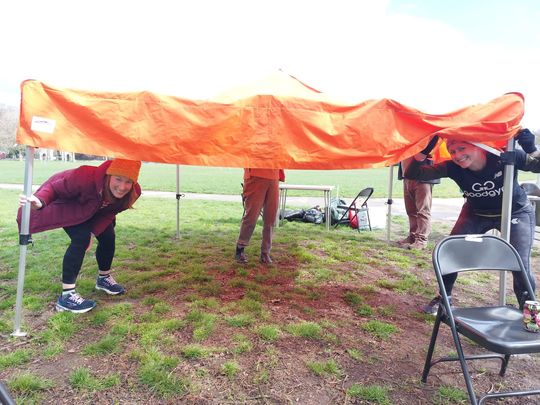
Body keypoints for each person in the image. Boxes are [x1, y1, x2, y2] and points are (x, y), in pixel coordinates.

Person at [405, 133, 540, 314]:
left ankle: (530, 313)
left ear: (479, 145)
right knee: (451, 251)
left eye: (462, 148)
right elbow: (413, 173)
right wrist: (425, 151)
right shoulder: (453, 167)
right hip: (476, 212)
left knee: (519, 263)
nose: (457, 155)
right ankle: (445, 299)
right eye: (452, 151)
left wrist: (531, 149)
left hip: (515, 211)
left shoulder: (504, 156)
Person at [17, 159, 142, 313]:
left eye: (128, 182)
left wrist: (93, 232)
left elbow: (110, 213)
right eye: (118, 179)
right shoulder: (84, 177)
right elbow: (54, 188)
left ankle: (104, 279)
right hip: (68, 206)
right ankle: (67, 296)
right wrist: (41, 201)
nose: (122, 187)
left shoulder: (133, 193)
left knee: (108, 236)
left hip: (95, 211)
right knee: (81, 239)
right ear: (109, 175)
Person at [235, 168, 284, 264]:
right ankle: (240, 247)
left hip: (273, 176)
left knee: (270, 218)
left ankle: (265, 252)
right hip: (255, 175)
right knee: (251, 216)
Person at [397, 154, 440, 250]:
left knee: (423, 210)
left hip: (423, 177)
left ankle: (421, 240)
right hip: (407, 177)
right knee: (411, 211)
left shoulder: (424, 140)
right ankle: (413, 237)